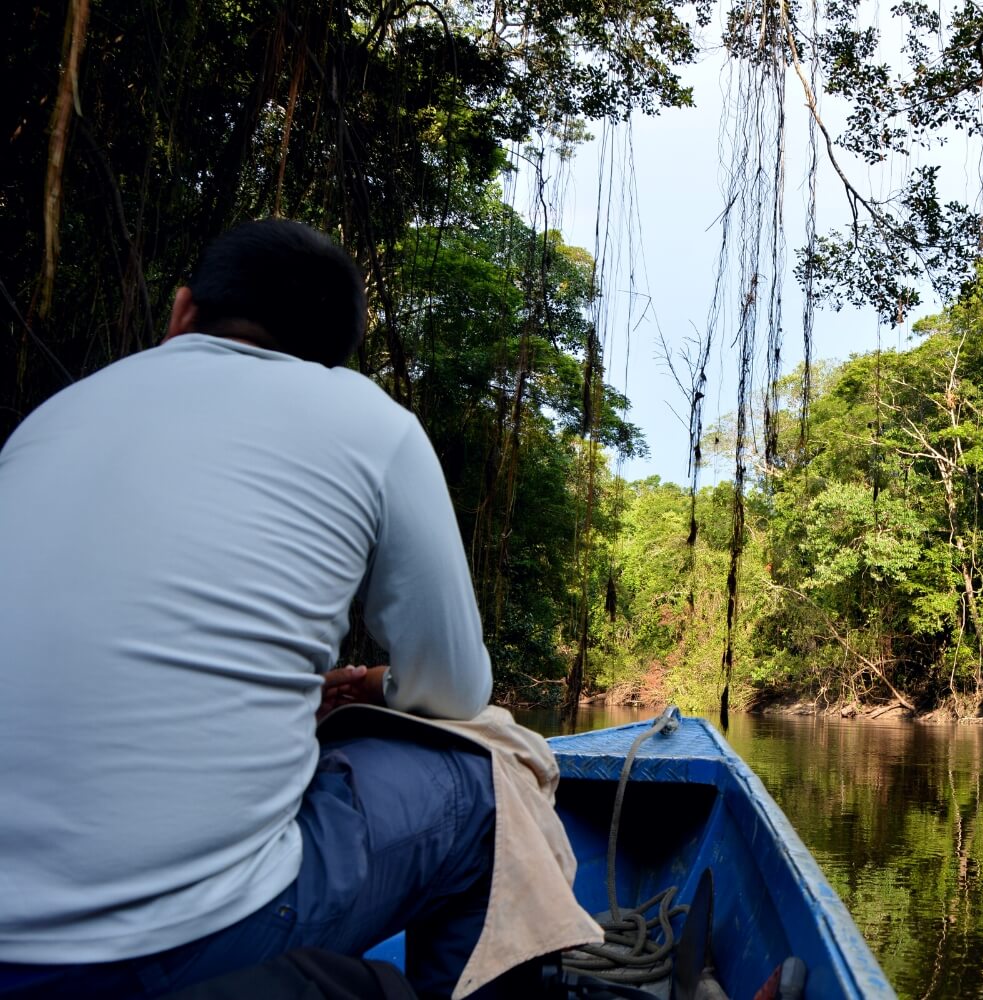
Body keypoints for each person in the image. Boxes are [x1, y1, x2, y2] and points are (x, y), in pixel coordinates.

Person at [0, 220, 577, 998]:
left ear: (181, 314)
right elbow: (455, 689)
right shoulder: (371, 422)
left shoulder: (52, 418)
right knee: (488, 786)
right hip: (178, 942)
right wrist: (372, 686)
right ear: (333, 354)